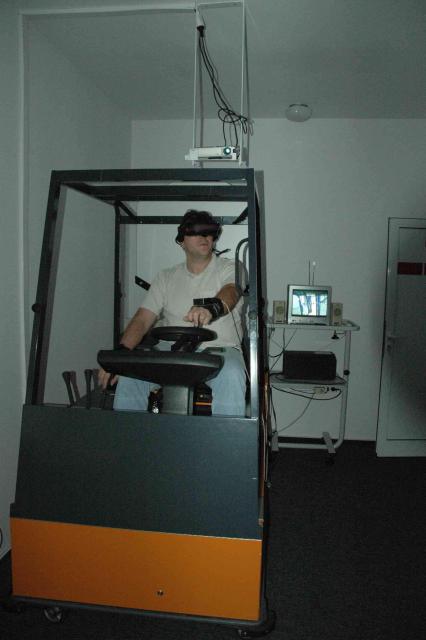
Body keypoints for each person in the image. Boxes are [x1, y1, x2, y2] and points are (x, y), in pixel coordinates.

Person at [98, 209, 247, 416]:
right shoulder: (166, 277)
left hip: (219, 350)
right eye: (196, 232)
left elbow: (231, 291)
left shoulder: (231, 268)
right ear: (181, 241)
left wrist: (212, 308)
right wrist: (120, 355)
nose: (204, 236)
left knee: (232, 374)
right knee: (129, 377)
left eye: (208, 232)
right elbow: (142, 320)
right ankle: (128, 435)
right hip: (171, 352)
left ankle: (227, 437)